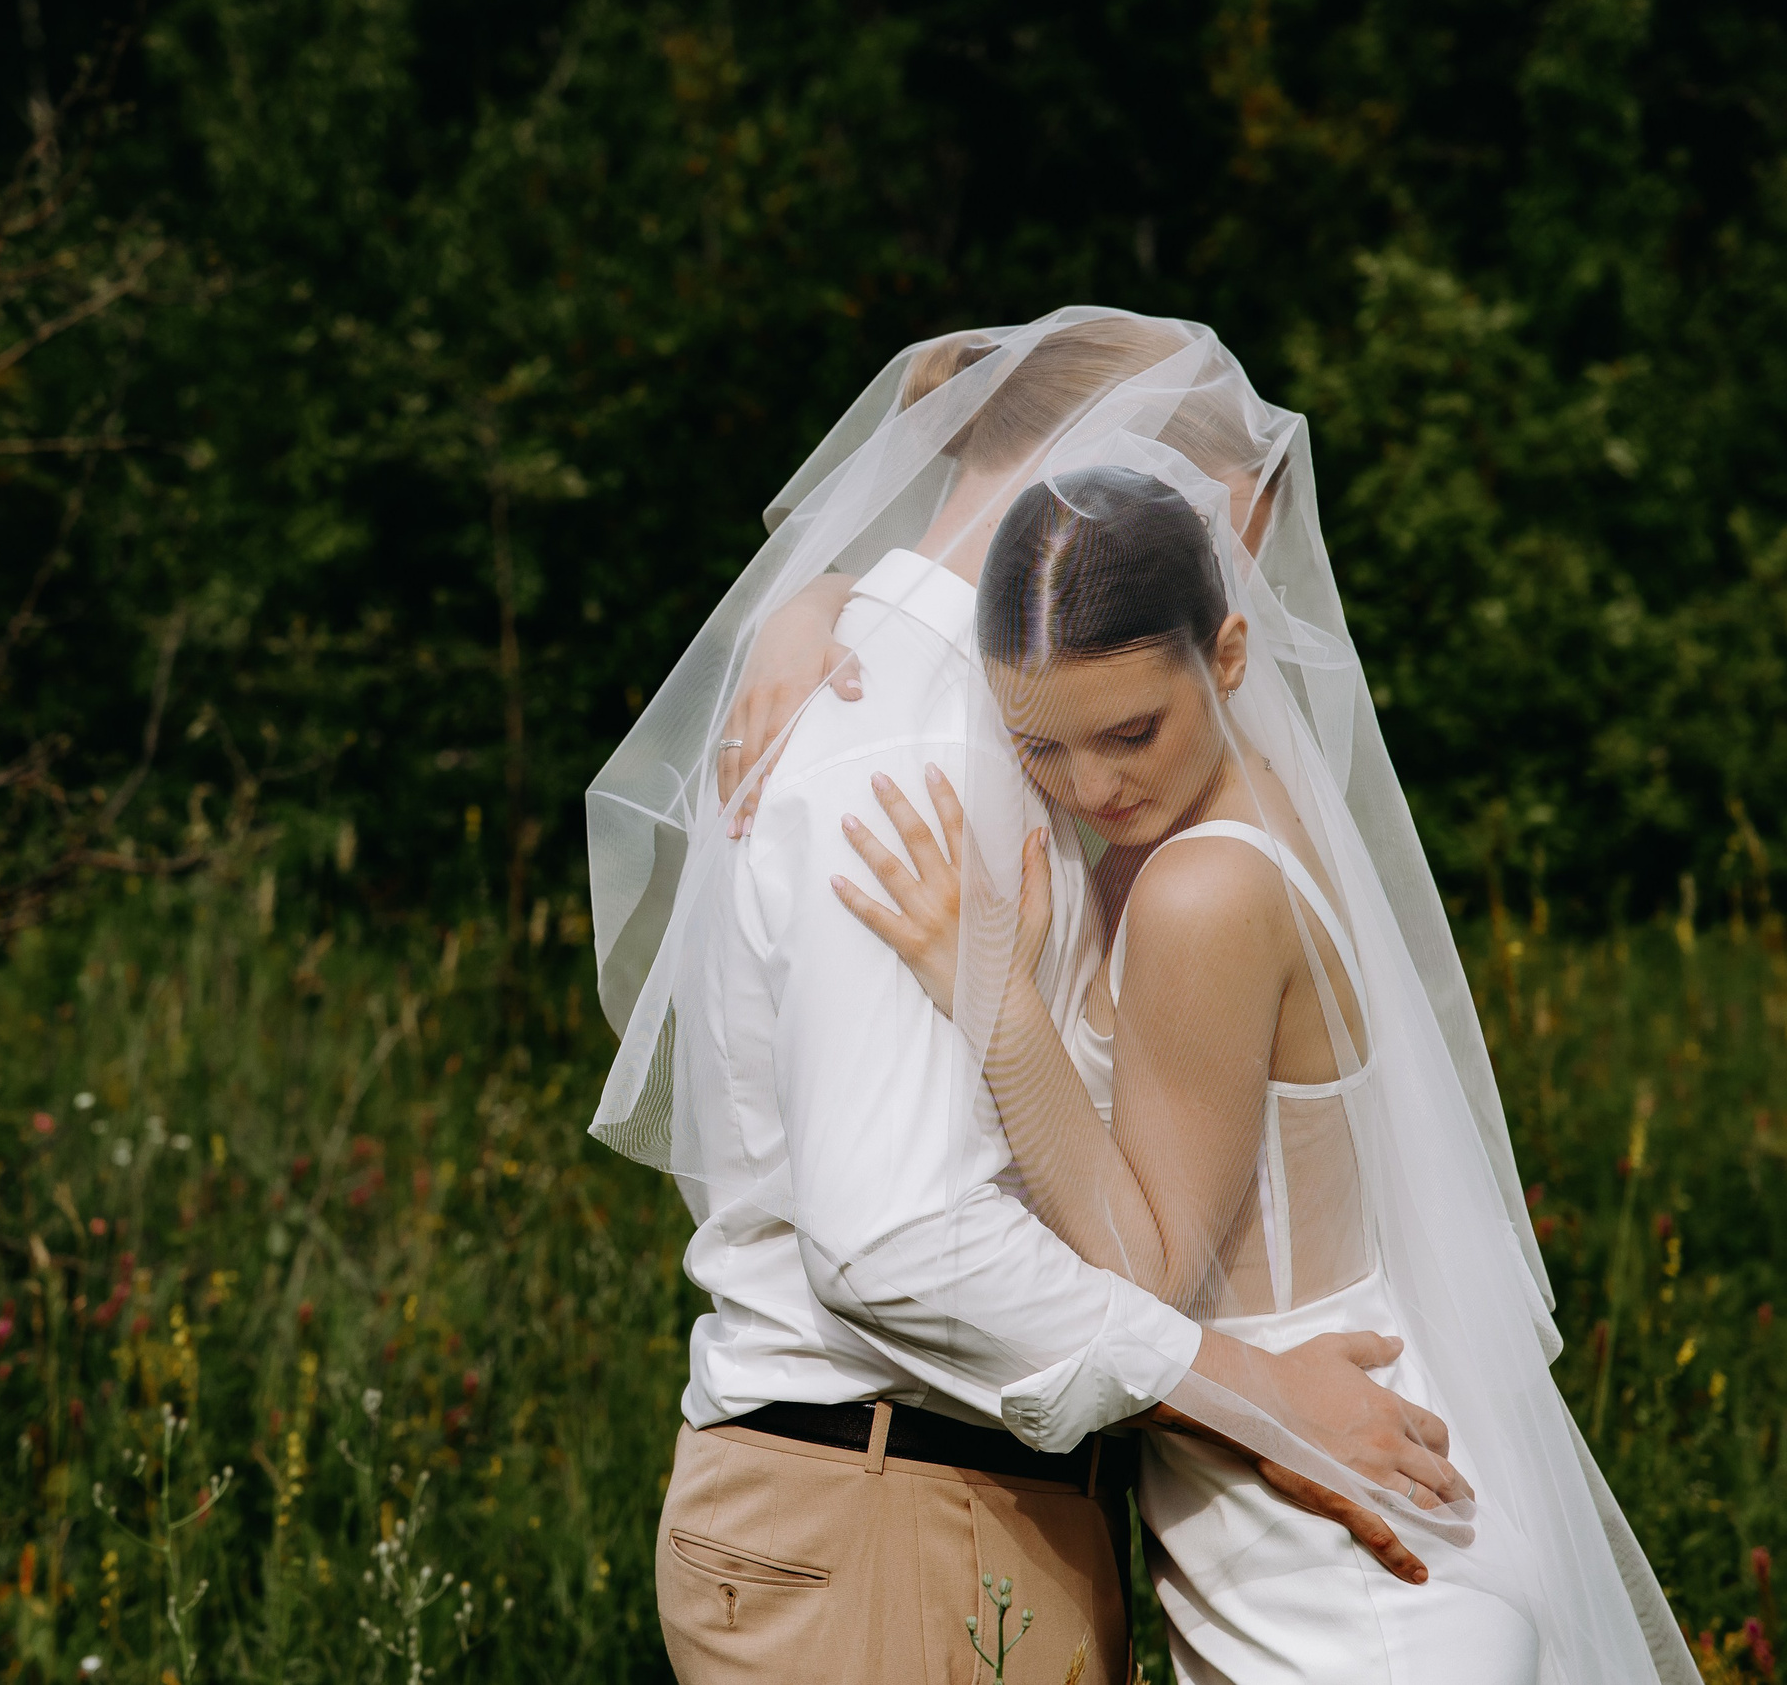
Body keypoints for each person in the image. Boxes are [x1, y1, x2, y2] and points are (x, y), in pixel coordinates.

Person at [582, 313, 1517, 1685]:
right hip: (894, 1514)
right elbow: (896, 1237)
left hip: (945, 1509)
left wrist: (818, 592)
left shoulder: (958, 713)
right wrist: (1263, 1398)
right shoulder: (913, 747)